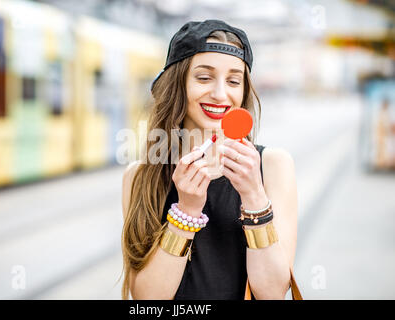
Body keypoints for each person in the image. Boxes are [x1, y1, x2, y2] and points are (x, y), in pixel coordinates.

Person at [121, 20, 298, 300]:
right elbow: (147, 299)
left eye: (233, 81)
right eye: (204, 78)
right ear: (177, 84)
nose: (219, 93)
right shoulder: (139, 176)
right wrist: (186, 212)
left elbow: (273, 292)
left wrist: (253, 196)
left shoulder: (273, 165)